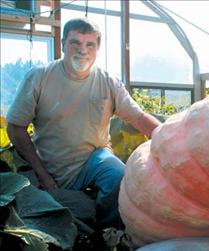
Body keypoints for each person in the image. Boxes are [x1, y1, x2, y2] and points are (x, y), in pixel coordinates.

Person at [6, 18, 161, 228]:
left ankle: (107, 235)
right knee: (54, 218)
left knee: (118, 175)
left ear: (98, 47)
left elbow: (138, 117)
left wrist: (167, 136)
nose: (83, 50)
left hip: (93, 159)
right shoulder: (40, 77)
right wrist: (41, 174)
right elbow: (16, 128)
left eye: (90, 44)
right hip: (49, 164)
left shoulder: (108, 82)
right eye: (75, 43)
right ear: (63, 44)